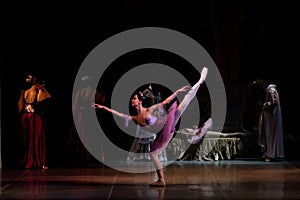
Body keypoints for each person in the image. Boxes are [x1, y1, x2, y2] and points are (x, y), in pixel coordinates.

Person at [93, 67, 208, 187]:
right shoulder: (135, 118)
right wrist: (103, 108)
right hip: (166, 129)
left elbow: (164, 103)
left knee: (186, 100)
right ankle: (161, 180)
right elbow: (117, 113)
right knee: (153, 153)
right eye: (133, 98)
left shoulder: (149, 109)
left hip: (167, 123)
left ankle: (200, 81)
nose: (132, 100)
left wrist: (177, 92)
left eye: (134, 98)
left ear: (139, 101)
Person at [69, 75, 106, 167]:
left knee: (84, 134)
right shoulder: (93, 91)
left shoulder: (80, 92)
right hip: (90, 116)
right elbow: (102, 100)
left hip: (82, 116)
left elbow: (75, 106)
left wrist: (76, 116)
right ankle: (90, 156)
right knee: (91, 135)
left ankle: (83, 156)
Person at [17, 74, 51, 169]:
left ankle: (34, 160)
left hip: (29, 118)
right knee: (34, 139)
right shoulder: (32, 91)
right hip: (32, 118)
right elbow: (47, 98)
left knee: (32, 139)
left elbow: (20, 107)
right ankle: (36, 161)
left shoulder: (29, 91)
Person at [127, 85, 167, 162]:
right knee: (141, 134)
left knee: (152, 134)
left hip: (152, 118)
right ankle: (142, 155)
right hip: (145, 118)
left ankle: (153, 154)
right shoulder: (143, 97)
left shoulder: (153, 98)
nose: (145, 94)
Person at [258, 83, 284, 161]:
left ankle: (271, 154)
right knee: (268, 135)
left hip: (271, 118)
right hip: (269, 117)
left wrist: (265, 105)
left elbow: (274, 102)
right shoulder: (270, 90)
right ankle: (268, 153)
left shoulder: (271, 90)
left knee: (270, 135)